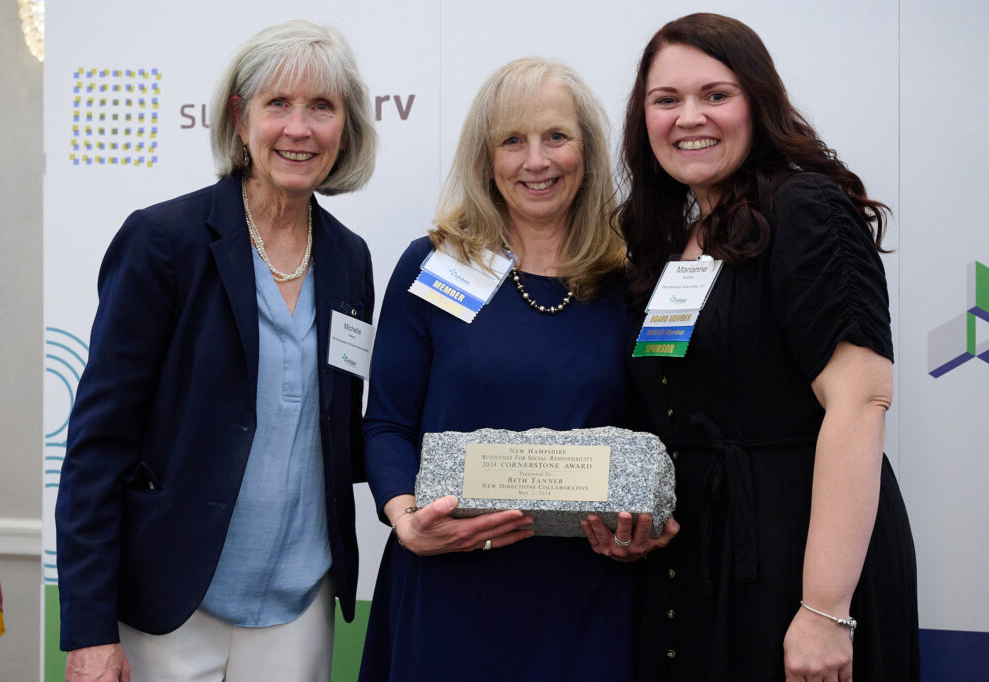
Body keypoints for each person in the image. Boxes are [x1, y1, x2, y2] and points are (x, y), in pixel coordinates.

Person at [55, 20, 376, 682]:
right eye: (277, 104)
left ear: (345, 126)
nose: (299, 128)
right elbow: (97, 447)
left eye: (322, 106)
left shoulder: (350, 260)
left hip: (298, 609)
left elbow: (343, 432)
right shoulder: (163, 242)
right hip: (170, 608)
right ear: (239, 117)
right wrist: (88, 630)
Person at [615, 12, 920, 681]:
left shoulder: (807, 208)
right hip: (698, 557)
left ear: (758, 102)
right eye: (666, 101)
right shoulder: (673, 243)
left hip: (796, 555)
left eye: (715, 95)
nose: (689, 116)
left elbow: (861, 401)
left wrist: (825, 611)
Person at [359, 57, 675, 681]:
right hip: (450, 586)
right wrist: (406, 520)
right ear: (486, 157)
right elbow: (387, 425)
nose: (537, 161)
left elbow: (658, 434)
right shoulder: (432, 266)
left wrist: (652, 520)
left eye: (556, 137)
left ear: (586, 151)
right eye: (513, 141)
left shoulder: (634, 279)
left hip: (586, 592)